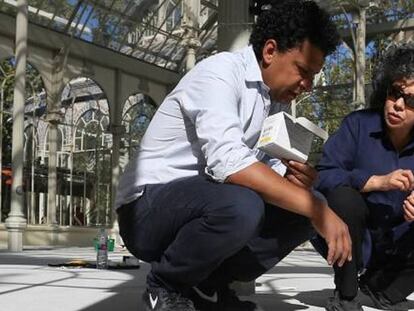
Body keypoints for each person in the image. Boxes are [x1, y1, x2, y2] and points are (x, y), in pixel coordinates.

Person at [115, 1, 352, 310]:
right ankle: (165, 285)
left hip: (202, 206)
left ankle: (208, 288)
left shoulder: (273, 102)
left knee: (302, 207)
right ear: (270, 51)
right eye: (303, 71)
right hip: (145, 211)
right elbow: (229, 163)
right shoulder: (220, 73)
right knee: (245, 205)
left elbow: (265, 171)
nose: (307, 85)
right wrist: (316, 209)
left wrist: (301, 185)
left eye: (313, 76)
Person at [315, 43, 414, 311]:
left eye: (411, 101)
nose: (398, 105)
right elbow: (322, 176)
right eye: (395, 93)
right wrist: (375, 181)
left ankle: (379, 291)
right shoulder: (358, 125)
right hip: (354, 238)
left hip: (399, 249)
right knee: (343, 197)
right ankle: (347, 294)